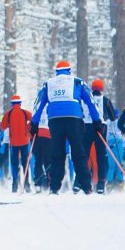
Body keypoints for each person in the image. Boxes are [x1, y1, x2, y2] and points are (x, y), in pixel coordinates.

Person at [31, 61, 101, 195]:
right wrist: (96, 121)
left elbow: (38, 104)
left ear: (56, 71)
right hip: (74, 118)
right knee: (78, 151)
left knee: (57, 152)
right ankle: (86, 186)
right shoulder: (77, 82)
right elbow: (91, 102)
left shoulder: (48, 84)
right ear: (69, 70)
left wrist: (34, 124)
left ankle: (54, 187)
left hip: (54, 120)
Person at [81, 78, 116, 194]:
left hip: (87, 127)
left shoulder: (86, 99)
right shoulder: (105, 100)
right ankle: (100, 184)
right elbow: (112, 116)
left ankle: (79, 182)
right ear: (101, 89)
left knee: (84, 155)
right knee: (101, 157)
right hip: (101, 128)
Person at [1, 95, 32, 192]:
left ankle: (15, 184)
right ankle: (27, 185)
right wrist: (27, 129)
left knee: (14, 164)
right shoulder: (25, 112)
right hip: (24, 141)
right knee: (25, 163)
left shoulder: (8, 114)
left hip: (13, 142)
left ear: (12, 104)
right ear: (20, 103)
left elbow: (2, 126)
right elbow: (33, 120)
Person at [105, 110, 125, 191]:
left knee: (111, 165)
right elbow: (124, 131)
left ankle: (110, 182)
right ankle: (120, 181)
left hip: (109, 144)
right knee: (119, 164)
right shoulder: (119, 122)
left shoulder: (107, 122)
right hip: (118, 143)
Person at [31, 104, 51, 192]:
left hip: (37, 136)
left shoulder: (36, 108)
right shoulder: (50, 107)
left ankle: (38, 183)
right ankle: (49, 182)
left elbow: (32, 122)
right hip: (47, 136)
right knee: (48, 161)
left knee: (38, 161)